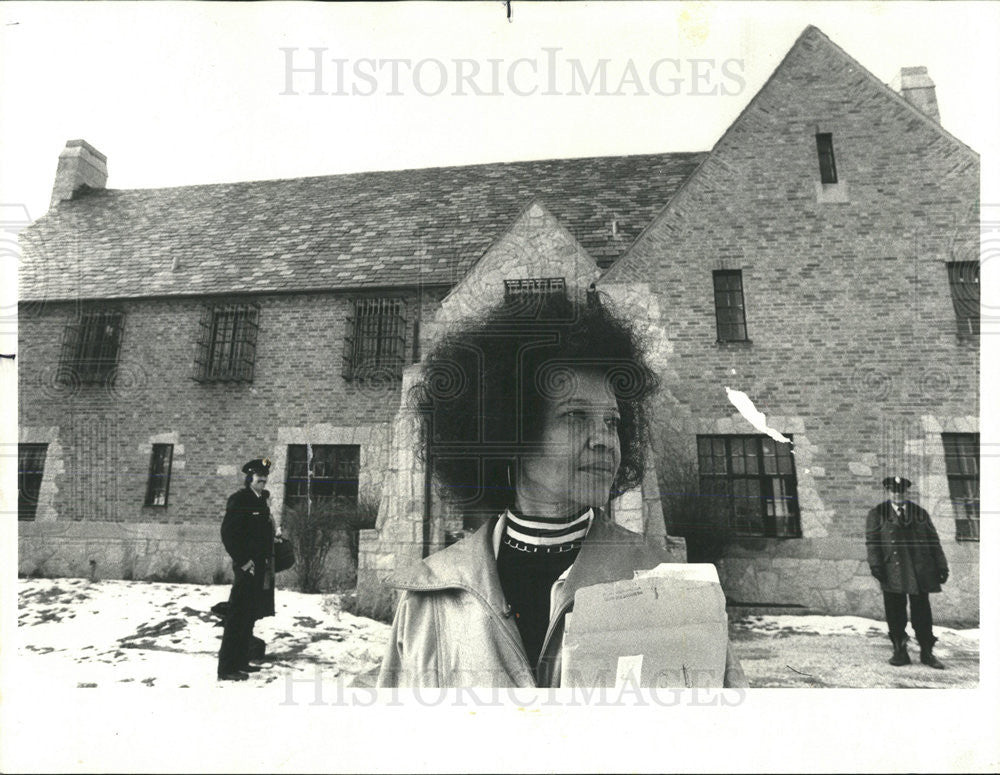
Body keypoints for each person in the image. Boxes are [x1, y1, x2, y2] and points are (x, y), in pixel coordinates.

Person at [376, 290, 747, 688]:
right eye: (575, 416)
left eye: (611, 422)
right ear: (507, 431)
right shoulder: (432, 596)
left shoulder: (668, 588)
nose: (605, 439)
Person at [866, 475, 949, 669]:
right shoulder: (878, 513)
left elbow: (933, 542)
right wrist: (876, 565)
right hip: (892, 569)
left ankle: (927, 652)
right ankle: (900, 651)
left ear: (906, 492)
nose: (897, 494)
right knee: (895, 612)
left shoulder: (920, 513)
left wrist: (941, 566)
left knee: (922, 612)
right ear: (888, 492)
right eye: (893, 491)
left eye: (901, 491)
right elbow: (872, 543)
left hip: (921, 570)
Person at [217, 457, 277, 681]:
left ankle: (242, 661)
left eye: (265, 475)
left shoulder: (261, 501)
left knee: (249, 616)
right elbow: (228, 534)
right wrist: (243, 561)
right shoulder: (239, 499)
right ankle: (226, 669)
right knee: (236, 617)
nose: (262, 478)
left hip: (260, 567)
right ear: (249, 477)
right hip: (246, 568)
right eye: (258, 475)